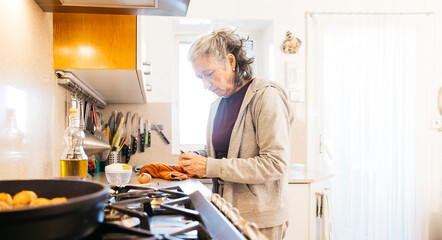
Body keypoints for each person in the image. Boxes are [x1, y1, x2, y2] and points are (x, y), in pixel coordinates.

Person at [178, 28, 294, 240]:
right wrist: (196, 158)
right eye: (199, 77)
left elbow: (275, 163)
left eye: (209, 74)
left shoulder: (266, 95)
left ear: (230, 61)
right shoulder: (217, 105)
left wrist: (208, 166)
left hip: (259, 221)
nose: (205, 85)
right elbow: (224, 153)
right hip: (225, 213)